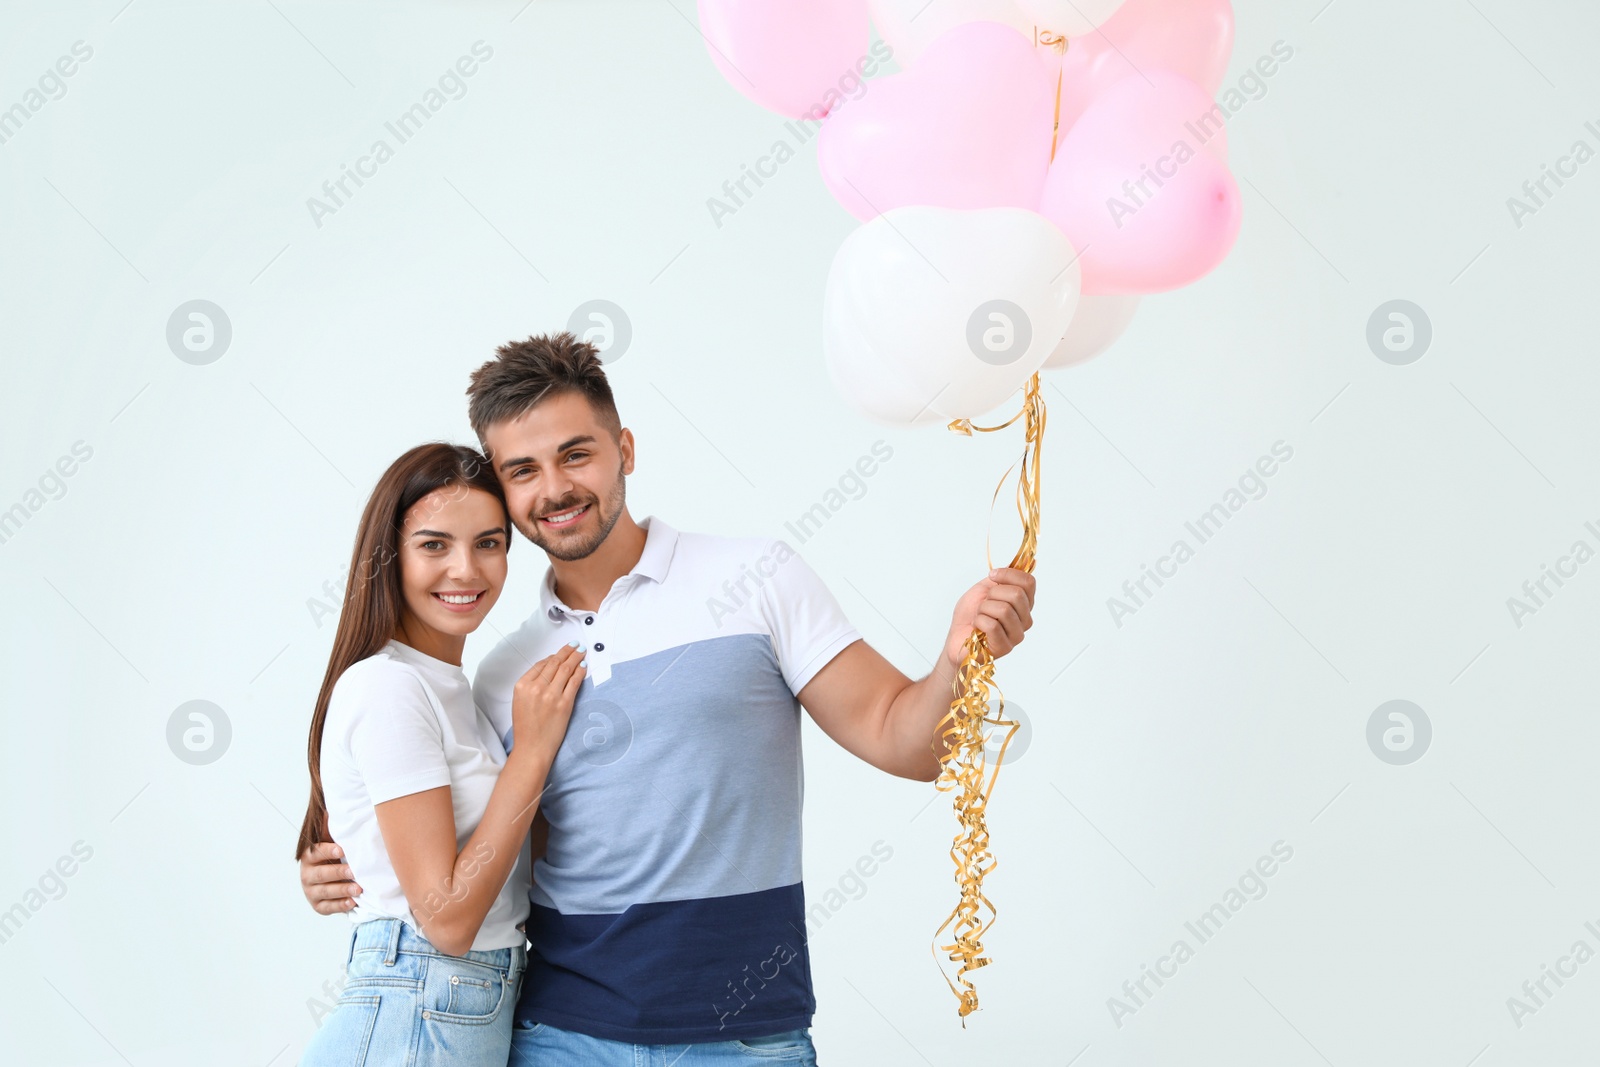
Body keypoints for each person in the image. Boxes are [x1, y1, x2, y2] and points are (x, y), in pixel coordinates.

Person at [299, 334, 1036, 1064]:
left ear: (625, 448)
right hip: (556, 1035)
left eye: (576, 454)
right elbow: (475, 847)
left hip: (746, 1038)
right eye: (522, 469)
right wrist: (343, 865)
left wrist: (955, 660)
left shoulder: (757, 579)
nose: (554, 488)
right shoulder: (501, 674)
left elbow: (907, 742)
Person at [294, 442, 588, 1066]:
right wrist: (531, 754)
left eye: (488, 543)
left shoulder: (454, 690)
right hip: (422, 1005)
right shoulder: (390, 686)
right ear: (389, 556)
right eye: (433, 545)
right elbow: (448, 921)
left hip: (453, 1006)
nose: (466, 570)